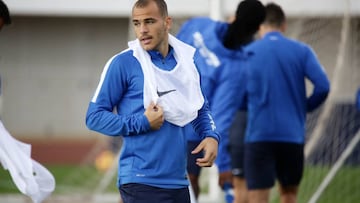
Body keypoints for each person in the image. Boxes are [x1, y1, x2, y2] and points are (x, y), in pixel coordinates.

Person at [85, 0, 220, 203]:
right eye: (137, 23)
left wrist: (210, 135)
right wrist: (142, 122)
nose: (142, 30)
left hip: (179, 182)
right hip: (140, 181)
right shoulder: (123, 63)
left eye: (149, 21)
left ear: (167, 22)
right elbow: (93, 117)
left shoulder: (187, 63)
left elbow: (199, 107)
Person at [238, 3, 330, 203]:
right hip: (291, 136)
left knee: (257, 197)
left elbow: (238, 94)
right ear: (284, 25)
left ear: (260, 26)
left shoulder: (248, 53)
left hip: (259, 135)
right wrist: (304, 107)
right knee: (289, 195)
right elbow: (323, 86)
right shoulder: (302, 50)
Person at [176, 0, 265, 202]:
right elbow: (220, 121)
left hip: (170, 121)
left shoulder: (198, 25)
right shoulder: (237, 68)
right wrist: (224, 165)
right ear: (256, 30)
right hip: (171, 121)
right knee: (184, 184)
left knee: (140, 179)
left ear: (234, 15)